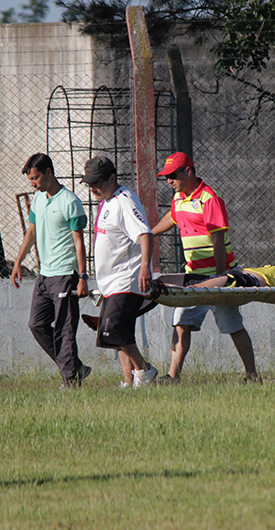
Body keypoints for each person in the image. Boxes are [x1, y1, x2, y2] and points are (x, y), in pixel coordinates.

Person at [152, 152, 260, 383]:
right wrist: (149, 234)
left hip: (217, 275)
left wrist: (222, 278)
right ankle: (173, 376)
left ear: (188, 172)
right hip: (193, 276)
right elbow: (172, 218)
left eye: (173, 175)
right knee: (180, 322)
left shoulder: (209, 198)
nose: (169, 181)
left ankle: (252, 375)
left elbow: (218, 239)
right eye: (166, 176)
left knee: (233, 326)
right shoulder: (178, 198)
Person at [11, 153, 92, 389]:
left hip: (65, 274)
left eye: (36, 178)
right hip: (44, 275)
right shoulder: (37, 199)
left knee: (65, 329)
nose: (33, 183)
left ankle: (71, 381)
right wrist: (18, 263)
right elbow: (31, 232)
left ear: (49, 172)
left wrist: (83, 277)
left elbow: (79, 242)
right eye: (30, 180)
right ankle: (75, 367)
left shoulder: (70, 201)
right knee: (36, 325)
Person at [81, 156, 158, 388]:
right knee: (120, 333)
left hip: (127, 278)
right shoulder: (106, 201)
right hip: (110, 281)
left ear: (112, 178)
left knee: (112, 330)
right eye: (89, 183)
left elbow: (145, 234)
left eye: (97, 182)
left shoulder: (126, 200)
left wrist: (145, 266)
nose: (92, 188)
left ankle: (145, 370)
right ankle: (130, 380)